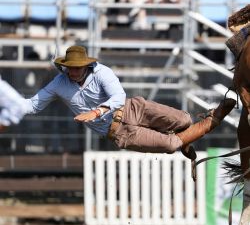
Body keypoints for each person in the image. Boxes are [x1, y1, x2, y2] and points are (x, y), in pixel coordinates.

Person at [23, 45, 236, 161]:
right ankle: (212, 121)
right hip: (119, 132)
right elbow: (32, 105)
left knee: (184, 119)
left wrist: (96, 112)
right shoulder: (58, 83)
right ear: (65, 67)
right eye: (71, 67)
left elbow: (118, 97)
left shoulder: (101, 72)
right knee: (171, 145)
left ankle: (186, 140)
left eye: (78, 67)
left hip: (133, 109)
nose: (74, 71)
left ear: (86, 66)